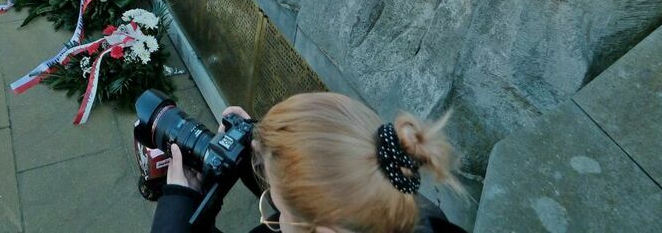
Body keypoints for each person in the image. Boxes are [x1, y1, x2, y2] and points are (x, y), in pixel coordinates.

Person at [150, 93, 464, 233]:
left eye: (278, 214)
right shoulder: (398, 202)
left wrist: (177, 205)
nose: (272, 219)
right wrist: (264, 159)